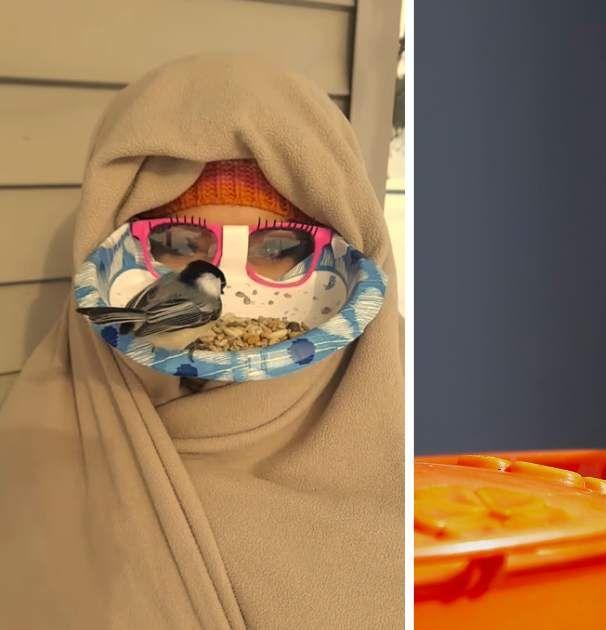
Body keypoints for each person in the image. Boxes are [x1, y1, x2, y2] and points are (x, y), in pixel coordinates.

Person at [0, 54, 404, 628]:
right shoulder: (39, 445)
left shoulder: (423, 437)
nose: (232, 297)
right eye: (182, 242)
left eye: (278, 249)